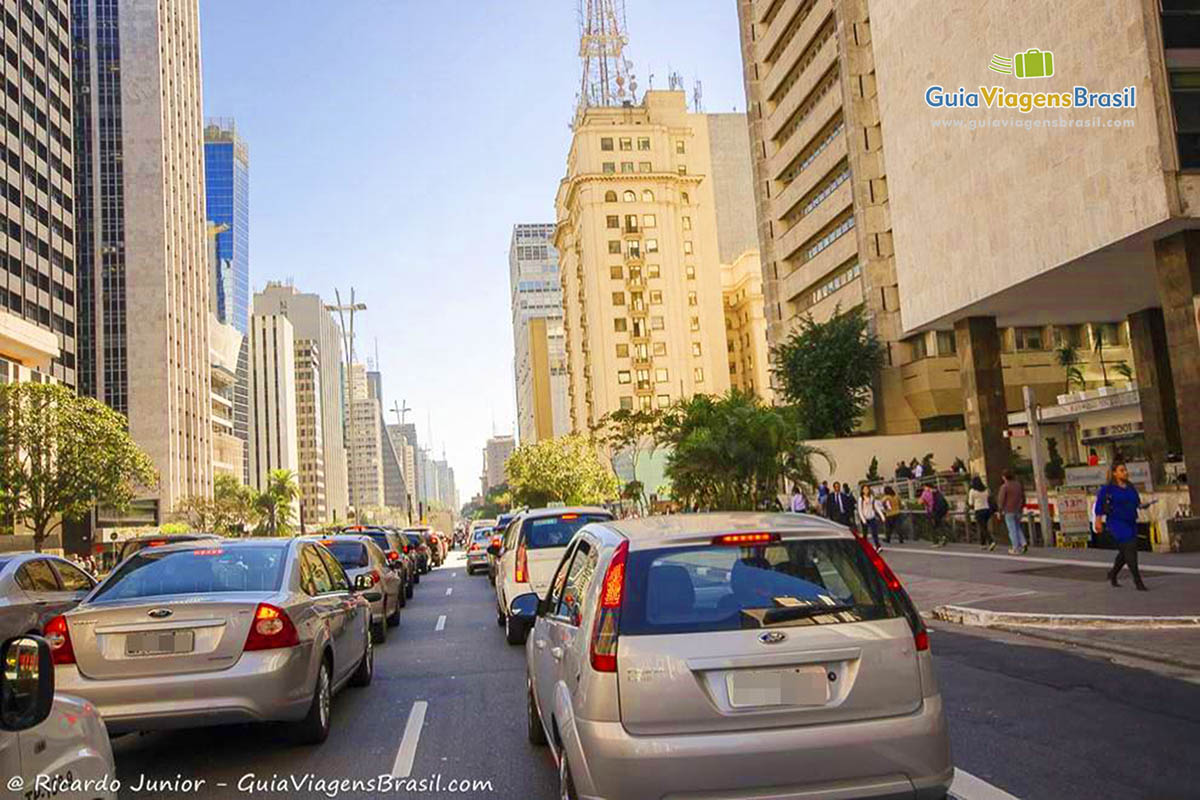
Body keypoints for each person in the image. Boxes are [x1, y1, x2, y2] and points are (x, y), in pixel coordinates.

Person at [1094, 462, 1152, 591]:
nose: (1125, 472)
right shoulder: (1107, 489)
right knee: (1130, 547)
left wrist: (1143, 506)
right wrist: (1098, 521)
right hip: (1116, 522)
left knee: (1125, 552)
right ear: (1114, 473)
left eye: (1125, 470)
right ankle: (1138, 581)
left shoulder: (1130, 487)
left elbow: (1136, 502)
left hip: (1130, 521)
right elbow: (1099, 506)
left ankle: (1113, 574)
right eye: (1121, 470)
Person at [997, 470, 1027, 554]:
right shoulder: (1018, 485)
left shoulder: (1004, 487)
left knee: (1012, 529)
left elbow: (1001, 500)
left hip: (1008, 510)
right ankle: (1023, 543)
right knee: (1017, 527)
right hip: (1018, 509)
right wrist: (1022, 507)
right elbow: (1023, 497)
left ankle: (1015, 548)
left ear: (1004, 477)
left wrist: (999, 510)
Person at [968, 476, 996, 551]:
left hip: (978, 510)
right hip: (986, 509)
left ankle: (991, 541)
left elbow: (970, 503)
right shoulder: (986, 490)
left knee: (982, 527)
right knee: (983, 526)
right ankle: (982, 543)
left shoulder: (972, 491)